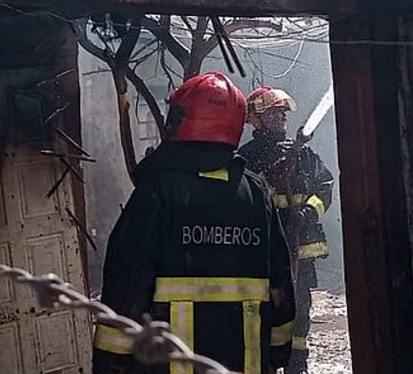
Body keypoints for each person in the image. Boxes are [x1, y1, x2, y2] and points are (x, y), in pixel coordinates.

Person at [93, 71, 296, 374]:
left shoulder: (157, 193)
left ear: (180, 119)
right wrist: (278, 353)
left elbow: (127, 286)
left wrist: (111, 365)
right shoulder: (256, 195)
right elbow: (280, 284)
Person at [238, 86, 335, 374]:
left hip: (302, 248)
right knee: (268, 310)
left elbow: (324, 186)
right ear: (256, 118)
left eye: (282, 113)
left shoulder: (302, 153)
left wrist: (308, 213)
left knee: (301, 310)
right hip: (267, 252)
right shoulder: (246, 158)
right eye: (272, 113)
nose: (280, 119)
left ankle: (297, 364)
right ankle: (268, 362)